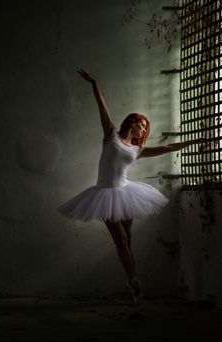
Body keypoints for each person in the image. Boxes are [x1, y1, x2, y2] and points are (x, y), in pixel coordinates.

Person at [57, 69, 206, 305]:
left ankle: (133, 281)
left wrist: (195, 141)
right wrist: (94, 84)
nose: (144, 131)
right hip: (104, 193)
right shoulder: (111, 136)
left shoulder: (137, 150)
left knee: (128, 239)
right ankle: (135, 282)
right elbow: (102, 106)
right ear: (133, 122)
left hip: (126, 192)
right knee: (121, 241)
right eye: (142, 126)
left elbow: (168, 147)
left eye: (145, 129)